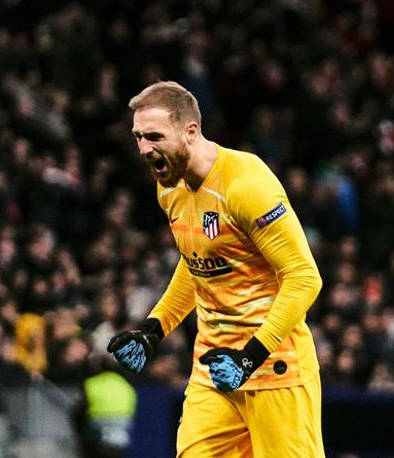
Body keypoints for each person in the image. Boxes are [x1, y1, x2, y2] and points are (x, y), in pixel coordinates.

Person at [107, 81, 324, 457]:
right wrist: (153, 329)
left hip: (274, 369)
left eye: (154, 136)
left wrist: (250, 357)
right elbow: (199, 262)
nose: (144, 149)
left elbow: (305, 277)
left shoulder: (246, 185)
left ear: (191, 132)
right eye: (138, 137)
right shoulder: (170, 188)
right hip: (214, 369)